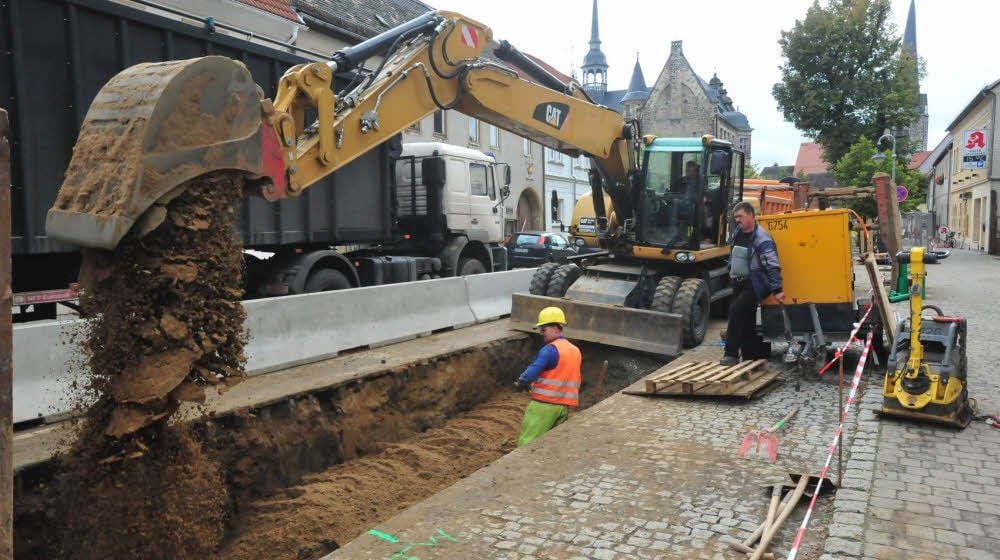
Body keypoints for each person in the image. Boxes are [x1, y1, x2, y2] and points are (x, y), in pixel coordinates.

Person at [720, 201, 784, 366]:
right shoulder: (738, 233)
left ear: (750, 216)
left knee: (736, 310)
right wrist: (730, 268)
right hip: (739, 281)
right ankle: (752, 356)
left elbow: (772, 265)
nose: (737, 220)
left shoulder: (762, 239)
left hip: (756, 283)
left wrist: (777, 289)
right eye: (736, 217)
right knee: (746, 317)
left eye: (740, 216)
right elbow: (734, 254)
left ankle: (731, 354)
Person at [514, 306, 582, 447]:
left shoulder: (550, 349)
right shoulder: (575, 350)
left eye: (543, 329)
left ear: (556, 328)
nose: (541, 333)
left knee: (527, 444)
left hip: (544, 406)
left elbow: (532, 372)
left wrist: (521, 382)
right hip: (563, 408)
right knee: (549, 445)